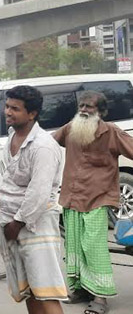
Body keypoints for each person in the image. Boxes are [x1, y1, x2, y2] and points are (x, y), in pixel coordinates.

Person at [53, 91, 133, 314]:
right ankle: (80, 290)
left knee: (94, 247)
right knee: (74, 246)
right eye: (81, 106)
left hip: (98, 198)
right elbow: (49, 144)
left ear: (101, 112)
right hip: (71, 196)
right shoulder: (70, 129)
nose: (83, 110)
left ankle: (100, 298)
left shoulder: (112, 132)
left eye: (89, 107)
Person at [0, 86, 66, 314]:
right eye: (7, 106)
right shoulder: (13, 136)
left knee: (46, 292)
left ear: (32, 113)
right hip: (11, 223)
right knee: (28, 290)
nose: (8, 112)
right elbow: (11, 176)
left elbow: (39, 193)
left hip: (35, 226)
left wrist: (17, 223)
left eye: (15, 108)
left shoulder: (43, 146)